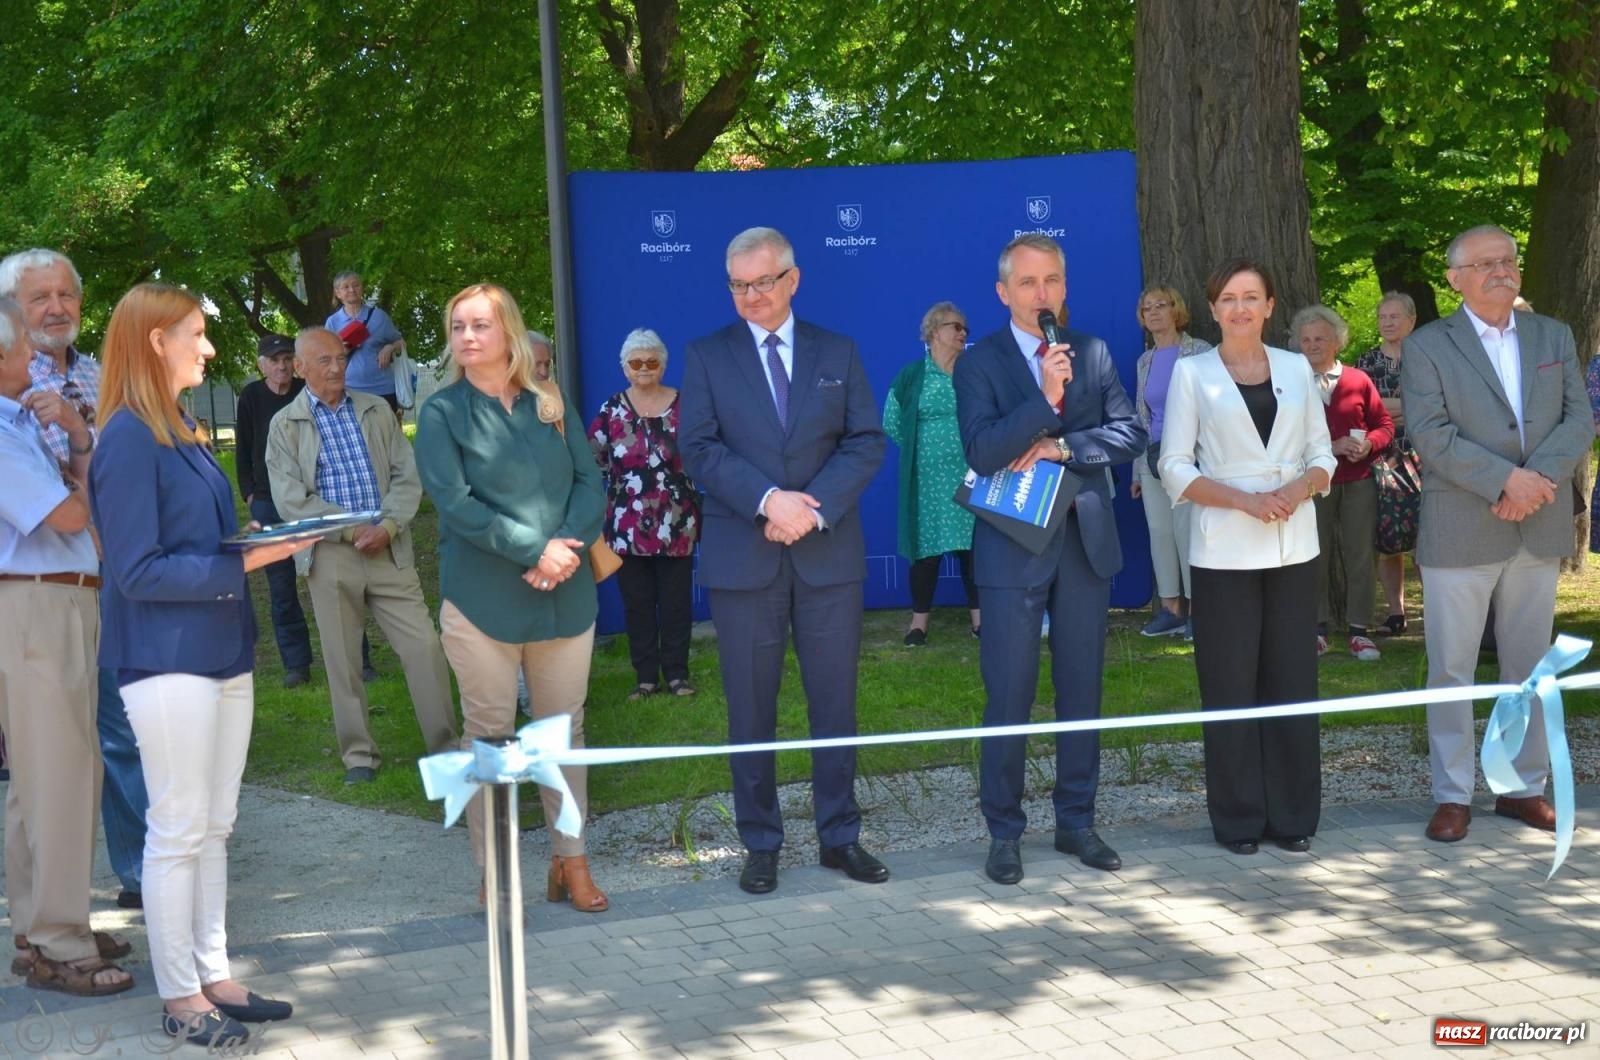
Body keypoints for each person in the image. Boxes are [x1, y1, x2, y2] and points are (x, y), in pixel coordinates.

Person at [89, 284, 304, 1044]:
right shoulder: (126, 437)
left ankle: (216, 976)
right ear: (156, 341)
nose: (208, 348)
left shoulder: (179, 426)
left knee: (215, 825)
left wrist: (260, 541)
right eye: (195, 334)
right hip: (164, 657)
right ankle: (181, 998)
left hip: (220, 651)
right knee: (178, 828)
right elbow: (136, 571)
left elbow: (198, 542)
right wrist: (248, 563)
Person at [679, 226, 889, 895]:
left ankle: (840, 836)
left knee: (835, 704)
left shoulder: (838, 350)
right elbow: (699, 448)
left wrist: (811, 508)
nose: (751, 296)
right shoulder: (706, 355)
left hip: (827, 552)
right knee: (750, 708)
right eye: (738, 285)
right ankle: (761, 842)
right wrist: (769, 501)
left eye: (763, 282)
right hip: (745, 558)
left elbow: (866, 440)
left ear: (793, 280)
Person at [952, 233, 1147, 885]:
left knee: (1081, 688)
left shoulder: (1092, 351)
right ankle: (1004, 831)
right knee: (1009, 692)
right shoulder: (978, 363)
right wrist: (1044, 397)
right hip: (1012, 546)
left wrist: (1064, 448)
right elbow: (983, 451)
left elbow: (1130, 432)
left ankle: (1077, 822)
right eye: (1029, 282)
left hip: (1083, 543)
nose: (1043, 294)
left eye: (1053, 281)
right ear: (1003, 292)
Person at [414, 284, 610, 912]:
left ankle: (570, 861)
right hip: (483, 604)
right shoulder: (441, 414)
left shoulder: (549, 401)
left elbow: (590, 483)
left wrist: (564, 549)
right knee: (492, 739)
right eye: (457, 326)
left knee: (563, 735)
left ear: (509, 332)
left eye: (480, 325)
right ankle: (495, 872)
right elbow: (457, 505)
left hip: (564, 596)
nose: (467, 336)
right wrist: (536, 551)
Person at [1399, 224, 1592, 845]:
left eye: (1507, 259)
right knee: (1452, 669)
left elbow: (1578, 419)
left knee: (1529, 669)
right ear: (1455, 279)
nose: (1500, 270)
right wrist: (1507, 480)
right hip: (1460, 528)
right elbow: (1431, 433)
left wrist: (1535, 482)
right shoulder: (1428, 345)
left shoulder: (1552, 334)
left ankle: (1520, 788)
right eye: (1483, 264)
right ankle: (1452, 794)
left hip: (1538, 522)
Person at [1159, 259, 1335, 857]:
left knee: (1292, 678)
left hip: (1293, 544)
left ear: (1270, 306)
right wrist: (1242, 500)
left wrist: (1300, 488)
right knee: (1229, 682)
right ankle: (1237, 819)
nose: (1240, 308)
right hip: (1224, 548)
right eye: (1229, 298)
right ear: (1212, 309)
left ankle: (1293, 815)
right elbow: (1174, 465)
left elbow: (1322, 454)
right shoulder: (1192, 373)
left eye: (1251, 297)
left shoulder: (1295, 367)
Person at [0, 248, 146, 911]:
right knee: (63, 752)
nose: (57, 308)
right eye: (40, 297)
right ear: (13, 311)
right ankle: (55, 919)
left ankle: (136, 874)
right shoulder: (12, 391)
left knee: (121, 725)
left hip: (123, 570)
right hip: (52, 583)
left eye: (67, 295)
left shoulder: (104, 376)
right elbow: (59, 506)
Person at [265, 328, 457, 784]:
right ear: (300, 369)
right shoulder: (285, 425)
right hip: (332, 554)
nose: (337, 368)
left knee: (425, 647)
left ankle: (447, 750)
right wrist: (352, 530)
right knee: (343, 660)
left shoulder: (375, 409)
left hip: (389, 547)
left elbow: (407, 475)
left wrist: (388, 526)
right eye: (325, 361)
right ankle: (359, 757)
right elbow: (292, 501)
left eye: (341, 358)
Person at [588, 328, 701, 699]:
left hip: (676, 522)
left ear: (663, 365)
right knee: (637, 603)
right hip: (627, 524)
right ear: (624, 368)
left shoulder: (686, 405)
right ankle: (646, 677)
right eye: (635, 362)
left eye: (652, 361)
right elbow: (594, 457)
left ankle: (678, 674)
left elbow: (703, 452)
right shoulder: (611, 410)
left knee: (676, 602)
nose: (644, 368)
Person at [1294, 305, 1394, 661]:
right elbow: (1281, 436)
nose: (1312, 345)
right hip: (1310, 481)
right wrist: (1329, 447)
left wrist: (1369, 444)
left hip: (1358, 479)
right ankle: (1316, 631)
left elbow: (1384, 425)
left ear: (1337, 341)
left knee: (1360, 555)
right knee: (1313, 554)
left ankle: (1359, 633)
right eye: (1306, 339)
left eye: (1320, 338)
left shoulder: (1358, 379)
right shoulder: (1290, 382)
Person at [883, 301, 980, 645]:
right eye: (957, 327)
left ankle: (979, 621)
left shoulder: (973, 372)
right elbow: (891, 421)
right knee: (925, 552)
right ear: (935, 331)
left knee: (973, 549)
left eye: (966, 328)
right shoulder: (912, 375)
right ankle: (918, 623)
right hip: (926, 482)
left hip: (972, 476)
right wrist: (921, 451)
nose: (963, 333)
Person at [233, 334, 314, 687]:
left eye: (286, 359)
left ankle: (358, 659)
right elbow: (243, 448)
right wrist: (250, 494)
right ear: (261, 364)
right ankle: (296, 664)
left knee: (332, 580)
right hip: (267, 501)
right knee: (281, 589)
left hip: (309, 498)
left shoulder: (306, 390)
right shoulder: (251, 396)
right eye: (274, 360)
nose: (281, 366)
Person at [1130, 285, 1210, 639]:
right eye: (1146, 308)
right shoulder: (1144, 361)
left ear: (1176, 310)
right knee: (1160, 533)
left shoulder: (1200, 351)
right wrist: (1137, 470)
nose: (1153, 312)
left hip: (1190, 457)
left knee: (1187, 532)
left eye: (1160, 305)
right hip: (1152, 457)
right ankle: (1170, 609)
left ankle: (1199, 612)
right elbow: (1140, 417)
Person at [1354, 293, 1420, 636]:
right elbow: (1365, 412)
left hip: (1427, 457)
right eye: (1383, 317)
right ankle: (1396, 613)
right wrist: (1409, 409)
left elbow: (1440, 405)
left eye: (1394, 316)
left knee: (1430, 537)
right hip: (1382, 460)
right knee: (1388, 539)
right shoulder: (1366, 362)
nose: (1387, 323)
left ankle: (1438, 611)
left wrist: (1391, 408)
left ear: (1412, 319)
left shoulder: (1428, 358)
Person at [325, 271, 405, 414]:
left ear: (362, 288)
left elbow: (401, 343)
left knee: (386, 428)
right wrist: (342, 352)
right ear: (338, 293)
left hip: (383, 389)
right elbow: (325, 358)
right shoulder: (332, 322)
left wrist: (390, 347)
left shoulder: (379, 317)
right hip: (350, 390)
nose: (352, 290)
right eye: (346, 287)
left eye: (356, 285)